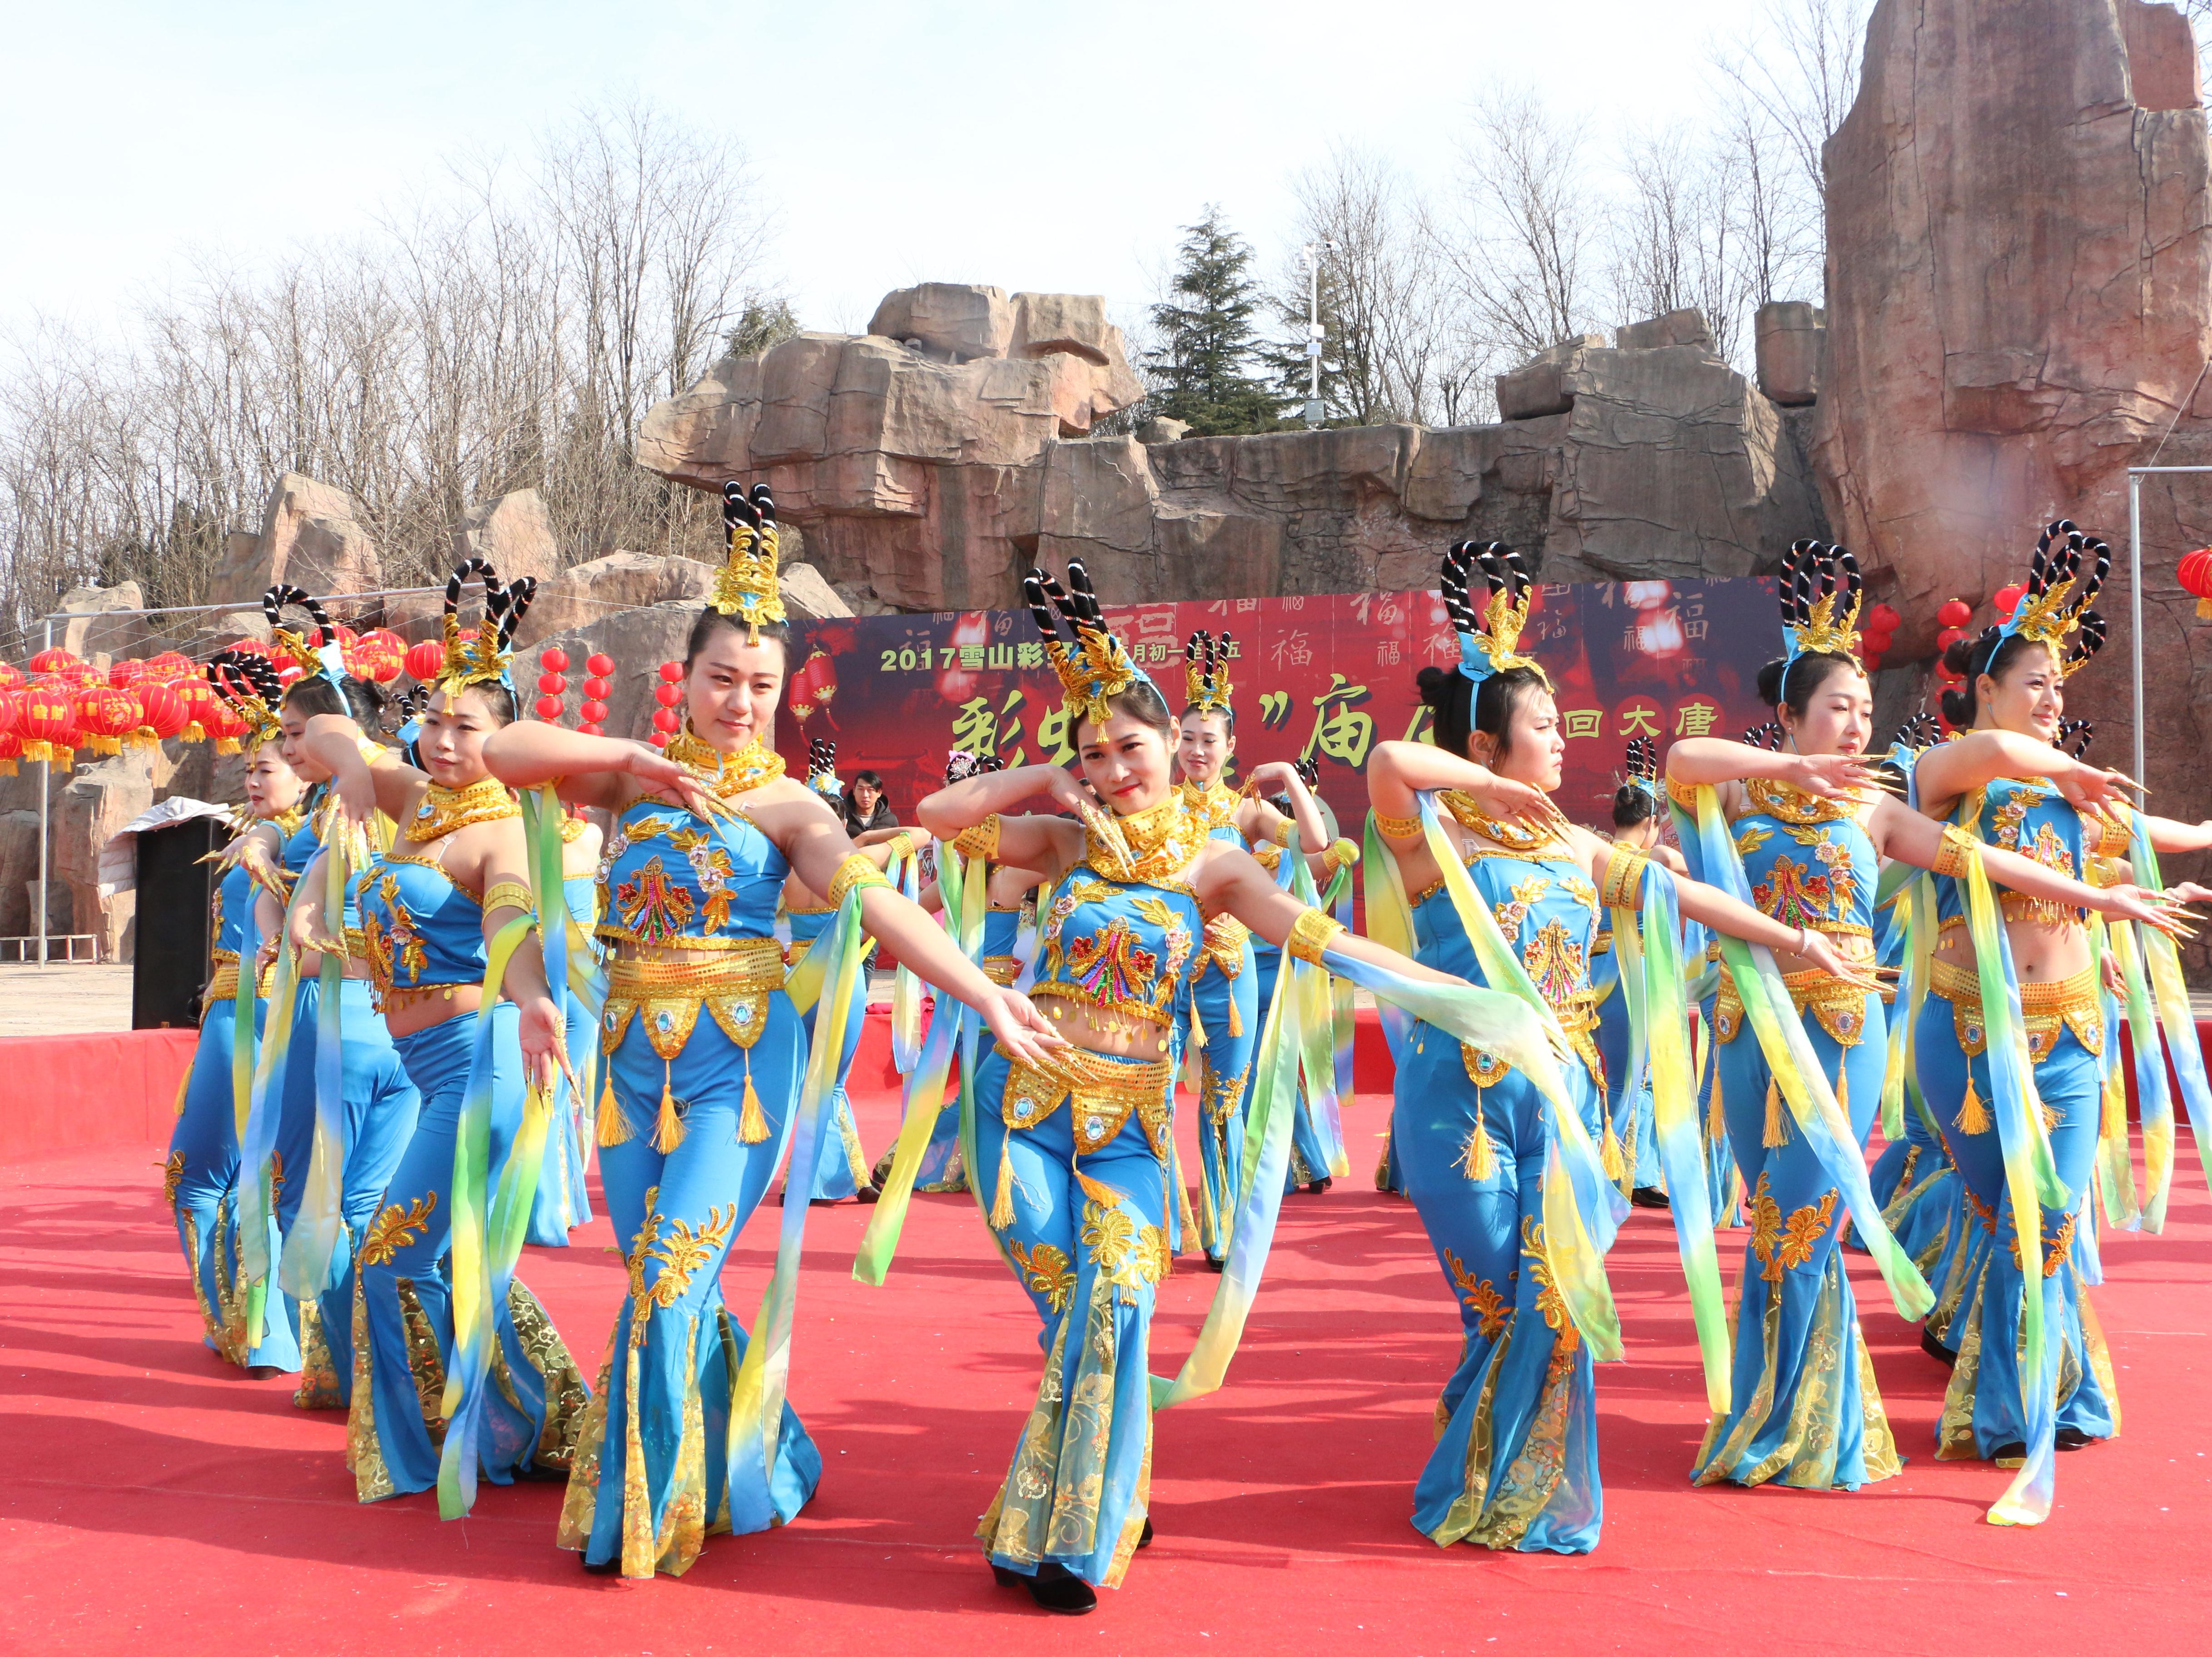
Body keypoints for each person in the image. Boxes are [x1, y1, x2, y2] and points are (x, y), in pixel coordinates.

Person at [483, 482, 1060, 1580]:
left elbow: (871, 904)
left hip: (735, 1072)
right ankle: (752, 1458)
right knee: (666, 1285)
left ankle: (654, 1518)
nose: (739, 703)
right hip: (627, 1077)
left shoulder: (794, 809)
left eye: (758, 686)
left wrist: (977, 992)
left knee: (667, 1279)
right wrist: (636, 762)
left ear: (781, 694)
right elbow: (505, 751)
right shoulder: (626, 781)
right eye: (719, 680)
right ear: (684, 681)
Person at [914, 559, 1484, 1612]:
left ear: (1172, 745)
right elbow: (938, 813)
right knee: (1071, 1314)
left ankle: (1072, 1540)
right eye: (1093, 753)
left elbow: (1315, 936)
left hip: (1130, 1129)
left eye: (1129, 746)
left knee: (1117, 1300)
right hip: (1023, 1113)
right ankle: (1106, 1491)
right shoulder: (1063, 840)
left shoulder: (1214, 864)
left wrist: (1454, 993)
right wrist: (1043, 783)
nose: (1114, 768)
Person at [1366, 541, 1879, 1553]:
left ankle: (1514, 1479)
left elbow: (1680, 890)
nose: (1561, 743)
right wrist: (1490, 793)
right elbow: (1388, 762)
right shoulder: (1435, 841)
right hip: (1455, 1102)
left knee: (1554, 1296)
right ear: (1489, 742)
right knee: (1499, 1304)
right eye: (1543, 727)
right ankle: (1479, 1464)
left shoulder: (1572, 845)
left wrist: (1791, 937)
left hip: (1560, 1108)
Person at [1667, 538, 2186, 1501]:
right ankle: (1776, 1414)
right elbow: (1680, 759)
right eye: (1839, 707)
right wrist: (1783, 763)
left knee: (1825, 1217)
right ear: (1787, 713)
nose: (1858, 724)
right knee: (1775, 1222)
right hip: (1753, 1028)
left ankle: (1876, 1419)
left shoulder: (1876, 806)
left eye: (1867, 708)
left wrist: (2105, 900)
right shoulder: (1740, 787)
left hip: (1862, 1030)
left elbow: (1990, 866)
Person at [1907, 522, 2206, 1524]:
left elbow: (2181, 834)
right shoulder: (1949, 774)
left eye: (2057, 686)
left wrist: (2165, 853)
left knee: (2048, 1225)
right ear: (1984, 690)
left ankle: (2030, 1404)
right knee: (2000, 1216)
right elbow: (1989, 751)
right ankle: (2022, 1396)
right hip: (1968, 1033)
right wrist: (2039, 752)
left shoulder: (2079, 798)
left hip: (2072, 1034)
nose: (2051, 698)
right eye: (2031, 680)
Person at [313, 557, 585, 1513]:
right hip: (429, 1069)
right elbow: (326, 729)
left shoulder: (497, 830)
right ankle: (533, 1417)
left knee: (391, 1254)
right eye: (431, 718)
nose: (441, 737)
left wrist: (536, 994)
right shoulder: (417, 806)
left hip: (481, 1064)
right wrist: (349, 767)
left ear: (504, 738)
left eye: (466, 725)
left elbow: (510, 921)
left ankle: (426, 1445)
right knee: (455, 1256)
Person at [262, 588, 422, 1413]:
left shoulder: (356, 797)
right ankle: (372, 1371)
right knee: (364, 1208)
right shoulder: (391, 798)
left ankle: (352, 1373)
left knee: (310, 1200)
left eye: (293, 733)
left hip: (340, 1028)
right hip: (409, 1039)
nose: (288, 748)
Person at [1172, 629, 1347, 1261]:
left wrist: (1287, 781)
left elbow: (1315, 843)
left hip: (1229, 972)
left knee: (1226, 1098)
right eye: (1187, 737)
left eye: (1208, 740)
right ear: (1172, 739)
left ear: (1230, 748)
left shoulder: (1245, 812)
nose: (1196, 750)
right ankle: (1165, 1225)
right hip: (1161, 966)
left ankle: (1220, 1230)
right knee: (1151, 1093)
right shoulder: (1156, 805)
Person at [164, 652, 307, 1376]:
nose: (252, 782)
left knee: (197, 1176)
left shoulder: (294, 841)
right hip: (239, 1013)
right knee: (259, 1177)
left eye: (268, 769)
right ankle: (262, 1325)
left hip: (250, 1018)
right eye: (248, 771)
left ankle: (255, 1327)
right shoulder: (279, 838)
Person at [780, 737, 907, 1204]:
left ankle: (827, 1175)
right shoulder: (851, 864)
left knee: (809, 1076)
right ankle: (822, 1178)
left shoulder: (786, 869)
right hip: (842, 977)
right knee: (831, 1080)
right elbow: (917, 836)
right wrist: (866, 837)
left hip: (797, 977)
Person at [1244, 753, 1361, 1195]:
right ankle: (1309, 1163)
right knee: (1271, 1071)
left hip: (1273, 972)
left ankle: (1282, 1165)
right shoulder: (1243, 853)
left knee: (1263, 1071)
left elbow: (1323, 857)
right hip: (1245, 969)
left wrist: (1333, 859)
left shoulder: (1284, 859)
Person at [1588, 737, 1684, 1209]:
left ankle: (1608, 1159)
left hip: (1591, 971)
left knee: (1605, 1070)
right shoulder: (1659, 858)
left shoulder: (1592, 854)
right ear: (1651, 822)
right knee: (1639, 1074)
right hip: (1636, 968)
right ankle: (1634, 1169)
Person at [526, 805, 603, 1244]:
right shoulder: (588, 836)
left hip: (555, 977)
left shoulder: (521, 842)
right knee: (564, 1093)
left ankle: (548, 1208)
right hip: (577, 979)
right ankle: (564, 1204)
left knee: (549, 1092)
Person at [843, 768, 897, 836]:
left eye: (870, 790)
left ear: (879, 793)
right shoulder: (843, 817)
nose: (865, 795)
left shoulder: (890, 820)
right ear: (854, 791)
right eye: (861, 789)